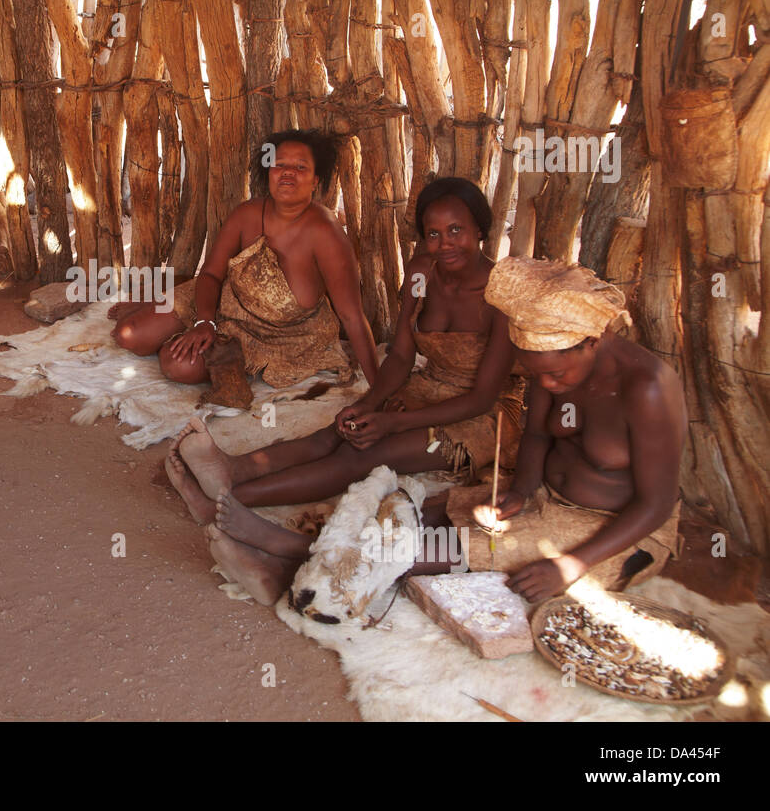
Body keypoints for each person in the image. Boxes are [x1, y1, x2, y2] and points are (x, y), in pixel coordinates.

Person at [168, 179, 522, 599]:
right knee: (340, 431)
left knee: (369, 452)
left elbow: (482, 396)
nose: (444, 243)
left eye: (456, 231)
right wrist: (369, 404)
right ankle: (233, 470)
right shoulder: (422, 273)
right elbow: (403, 358)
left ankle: (228, 504)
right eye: (433, 233)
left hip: (487, 415)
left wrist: (389, 422)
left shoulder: (501, 295)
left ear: (481, 229)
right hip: (430, 387)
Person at [442, 256, 685, 603]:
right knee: (430, 519)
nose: (545, 383)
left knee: (433, 552)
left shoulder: (648, 388)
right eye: (534, 373)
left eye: (555, 375)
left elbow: (657, 503)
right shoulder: (550, 361)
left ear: (593, 342)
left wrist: (571, 565)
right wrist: (522, 491)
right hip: (544, 498)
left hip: (618, 529)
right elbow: (538, 435)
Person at [111, 129, 378, 394]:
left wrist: (380, 388)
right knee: (128, 334)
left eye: (300, 167)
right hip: (223, 301)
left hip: (283, 335)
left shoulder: (326, 234)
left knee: (178, 365)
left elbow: (351, 316)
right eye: (280, 164)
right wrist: (205, 322)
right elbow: (212, 275)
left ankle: (168, 325)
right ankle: (163, 311)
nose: (288, 172)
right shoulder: (246, 214)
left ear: (316, 180)